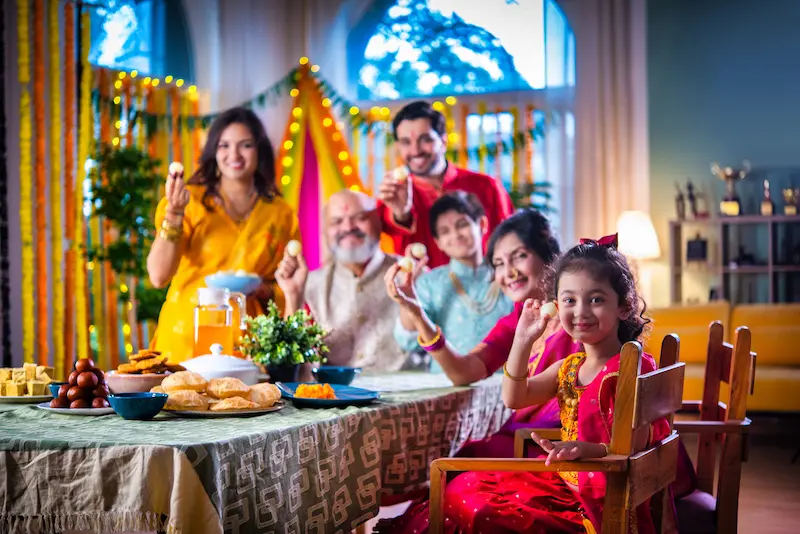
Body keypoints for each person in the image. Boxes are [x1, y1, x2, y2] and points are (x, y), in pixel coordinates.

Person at [403, 236, 671, 534]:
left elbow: (636, 444)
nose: (580, 312)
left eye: (595, 300)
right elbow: (514, 397)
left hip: (600, 501)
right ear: (557, 305)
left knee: (481, 507)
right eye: (569, 300)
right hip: (567, 484)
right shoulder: (571, 368)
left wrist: (587, 450)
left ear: (623, 306)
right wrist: (522, 340)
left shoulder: (632, 365)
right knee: (464, 486)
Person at [385, 208, 581, 456]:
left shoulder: (577, 316)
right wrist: (416, 313)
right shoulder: (517, 321)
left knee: (455, 473)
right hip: (527, 440)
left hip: (560, 448)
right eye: (498, 264)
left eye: (519, 256)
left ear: (549, 256)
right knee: (454, 459)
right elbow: (464, 372)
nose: (508, 272)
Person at [146, 107, 299, 363]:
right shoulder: (189, 201)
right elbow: (158, 276)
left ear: (259, 150)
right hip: (186, 337)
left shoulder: (280, 214)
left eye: (245, 145)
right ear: (213, 151)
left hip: (250, 346)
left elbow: (289, 285)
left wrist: (264, 290)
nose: (234, 155)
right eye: (224, 145)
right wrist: (174, 214)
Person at [275, 189, 410, 371]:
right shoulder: (311, 284)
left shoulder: (410, 275)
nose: (348, 228)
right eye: (337, 221)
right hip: (336, 396)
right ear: (324, 232)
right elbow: (294, 368)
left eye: (360, 218)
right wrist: (293, 297)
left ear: (379, 222)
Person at [378, 100, 514, 268]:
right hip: (422, 292)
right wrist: (401, 214)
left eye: (425, 139)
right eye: (406, 142)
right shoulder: (392, 195)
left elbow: (511, 242)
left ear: (443, 141)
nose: (415, 150)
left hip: (486, 290)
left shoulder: (487, 187)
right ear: (398, 146)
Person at [392, 191, 514, 368]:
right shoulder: (429, 283)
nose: (456, 235)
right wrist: (408, 297)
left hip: (503, 383)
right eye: (445, 231)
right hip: (446, 384)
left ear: (481, 224)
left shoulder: (507, 277)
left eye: (462, 224)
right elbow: (408, 341)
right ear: (438, 242)